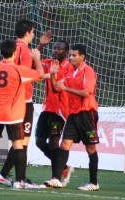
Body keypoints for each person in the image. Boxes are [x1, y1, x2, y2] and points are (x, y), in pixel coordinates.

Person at [0, 19, 49, 188]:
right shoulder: (24, 51)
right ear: (27, 33)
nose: (34, 35)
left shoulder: (12, 47)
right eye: (33, 33)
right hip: (23, 100)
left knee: (19, 142)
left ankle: (10, 175)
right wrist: (44, 73)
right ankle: (16, 178)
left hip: (9, 100)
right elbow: (28, 74)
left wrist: (39, 47)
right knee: (22, 143)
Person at [0, 39, 44, 189]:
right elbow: (40, 74)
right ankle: (18, 181)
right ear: (15, 53)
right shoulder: (18, 70)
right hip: (12, 114)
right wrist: (37, 58)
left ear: (1, 52)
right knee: (19, 146)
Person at [44, 44, 100, 191]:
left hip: (87, 114)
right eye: (70, 55)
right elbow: (57, 88)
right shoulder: (70, 73)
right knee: (64, 145)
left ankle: (93, 183)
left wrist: (66, 88)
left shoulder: (88, 71)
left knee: (91, 148)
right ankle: (56, 179)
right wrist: (52, 75)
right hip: (73, 115)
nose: (71, 57)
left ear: (82, 57)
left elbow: (86, 93)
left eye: (74, 55)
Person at [35, 37, 74, 187]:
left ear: (66, 51)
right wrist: (40, 45)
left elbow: (56, 85)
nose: (56, 50)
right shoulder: (49, 62)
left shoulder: (69, 68)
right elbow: (34, 63)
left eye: (60, 48)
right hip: (47, 108)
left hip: (59, 110)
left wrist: (50, 74)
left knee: (53, 142)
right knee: (39, 141)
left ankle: (55, 177)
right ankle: (63, 167)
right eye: (55, 48)